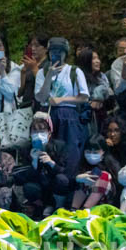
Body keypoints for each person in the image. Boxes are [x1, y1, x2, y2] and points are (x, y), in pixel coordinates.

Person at [34, 37, 88, 177]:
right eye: (53, 51)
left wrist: (61, 100)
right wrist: (49, 76)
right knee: (47, 150)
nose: (56, 54)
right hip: (47, 116)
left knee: (70, 152)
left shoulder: (74, 71)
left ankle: (68, 181)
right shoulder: (42, 72)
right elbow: (40, 98)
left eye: (60, 51)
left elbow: (84, 97)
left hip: (69, 116)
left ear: (66, 53)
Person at [12, 112, 72, 218]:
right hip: (38, 185)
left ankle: (59, 207)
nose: (38, 134)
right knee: (29, 187)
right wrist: (34, 163)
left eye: (42, 131)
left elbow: (66, 172)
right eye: (35, 131)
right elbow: (23, 178)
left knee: (61, 179)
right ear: (30, 134)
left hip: (55, 185)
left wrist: (51, 163)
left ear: (49, 134)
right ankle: (39, 208)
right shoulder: (26, 149)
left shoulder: (59, 146)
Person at [71, 134, 120, 210]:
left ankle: (85, 210)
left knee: (104, 175)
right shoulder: (80, 165)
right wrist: (77, 178)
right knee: (84, 177)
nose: (91, 154)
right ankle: (73, 210)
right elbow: (68, 182)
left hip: (104, 205)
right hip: (82, 201)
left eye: (95, 152)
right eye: (88, 151)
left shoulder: (111, 166)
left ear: (103, 151)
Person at [76, 47, 113, 136]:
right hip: (84, 119)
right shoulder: (79, 77)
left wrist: (99, 94)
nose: (98, 61)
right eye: (93, 58)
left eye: (98, 58)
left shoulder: (102, 77)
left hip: (101, 118)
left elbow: (109, 93)